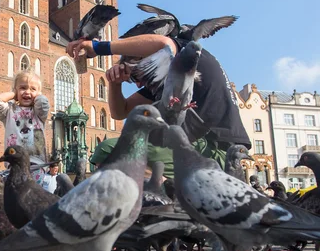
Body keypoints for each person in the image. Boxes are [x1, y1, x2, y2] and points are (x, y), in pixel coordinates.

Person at [68, 33, 250, 177]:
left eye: (135, 75)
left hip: (216, 150)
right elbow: (119, 112)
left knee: (108, 151)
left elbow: (164, 43)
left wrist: (99, 47)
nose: (138, 84)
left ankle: (159, 197)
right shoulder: (166, 80)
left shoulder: (187, 56)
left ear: (148, 58)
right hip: (211, 148)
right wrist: (115, 83)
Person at [0, 68, 50, 184]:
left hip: (36, 163)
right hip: (14, 163)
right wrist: (14, 94)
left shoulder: (38, 112)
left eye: (33, 89)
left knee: (34, 196)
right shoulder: (9, 111)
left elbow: (43, 103)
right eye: (23, 88)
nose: (27, 92)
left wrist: (37, 95)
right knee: (17, 196)